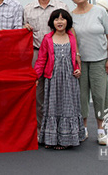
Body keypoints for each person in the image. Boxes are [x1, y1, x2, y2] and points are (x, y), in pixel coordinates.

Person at [67, 0, 108, 146]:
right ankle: (83, 127)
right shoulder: (71, 16)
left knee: (100, 95)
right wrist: (76, 55)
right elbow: (72, 39)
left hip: (99, 61)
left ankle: (101, 129)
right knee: (81, 96)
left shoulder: (99, 12)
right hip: (80, 61)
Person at [23, 0, 70, 139]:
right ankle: (40, 131)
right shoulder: (27, 9)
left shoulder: (61, 6)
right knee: (38, 94)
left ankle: (59, 130)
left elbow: (70, 31)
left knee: (59, 91)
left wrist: (75, 54)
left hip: (59, 53)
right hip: (37, 54)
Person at [34, 9, 85, 149]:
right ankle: (52, 138)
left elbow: (75, 59)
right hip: (53, 78)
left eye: (63, 19)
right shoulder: (47, 38)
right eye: (56, 19)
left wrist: (77, 70)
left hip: (69, 78)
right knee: (52, 106)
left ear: (67, 21)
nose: (60, 22)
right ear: (52, 22)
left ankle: (66, 139)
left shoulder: (72, 38)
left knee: (68, 107)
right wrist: (36, 76)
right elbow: (41, 59)